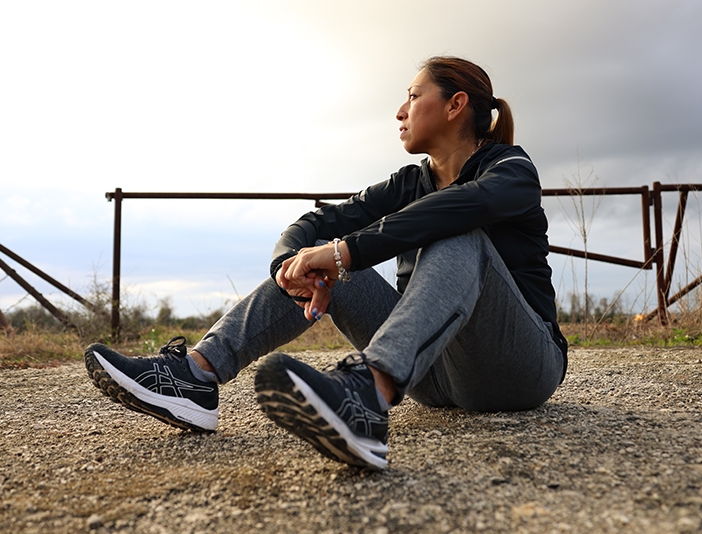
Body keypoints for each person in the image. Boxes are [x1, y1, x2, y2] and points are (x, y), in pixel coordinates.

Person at [85, 56, 568, 470]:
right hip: (430, 375)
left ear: (455, 104)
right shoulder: (407, 183)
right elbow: (317, 223)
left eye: (413, 96)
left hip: (518, 367)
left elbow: (465, 205)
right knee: (320, 256)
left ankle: (367, 398)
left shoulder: (512, 169)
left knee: (457, 231)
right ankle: (196, 375)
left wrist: (344, 253)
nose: (400, 111)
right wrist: (292, 267)